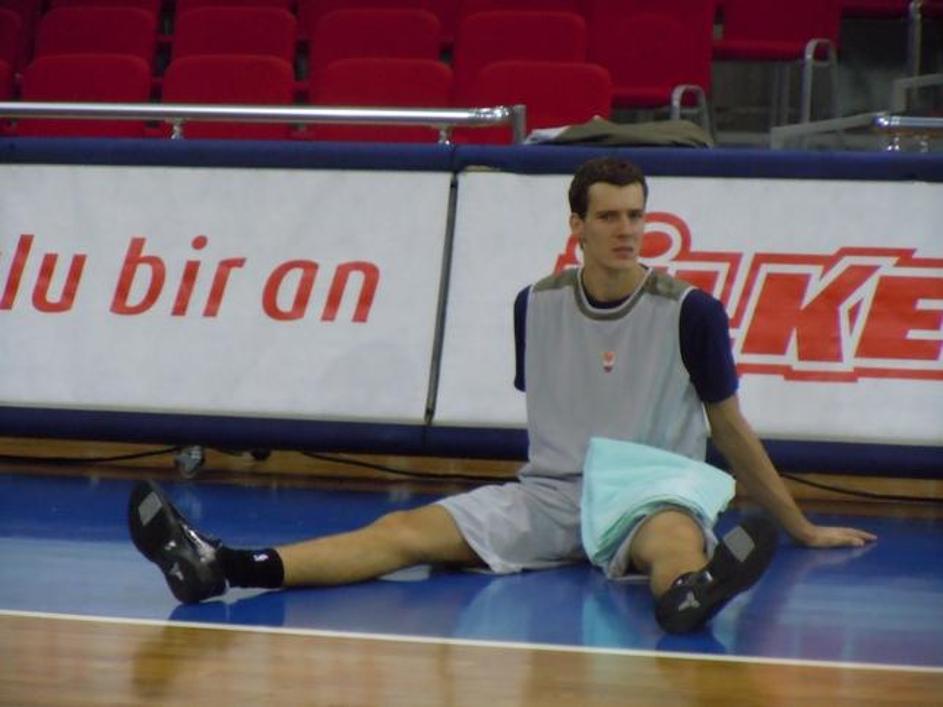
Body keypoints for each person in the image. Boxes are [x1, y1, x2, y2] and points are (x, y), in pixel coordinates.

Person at [129, 157, 876, 634]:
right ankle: (226, 566)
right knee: (404, 530)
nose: (626, 229)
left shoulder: (692, 311)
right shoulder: (533, 304)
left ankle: (686, 593)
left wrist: (800, 527)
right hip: (547, 493)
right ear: (576, 225)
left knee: (672, 541)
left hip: (651, 490)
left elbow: (730, 428)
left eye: (636, 215)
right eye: (609, 216)